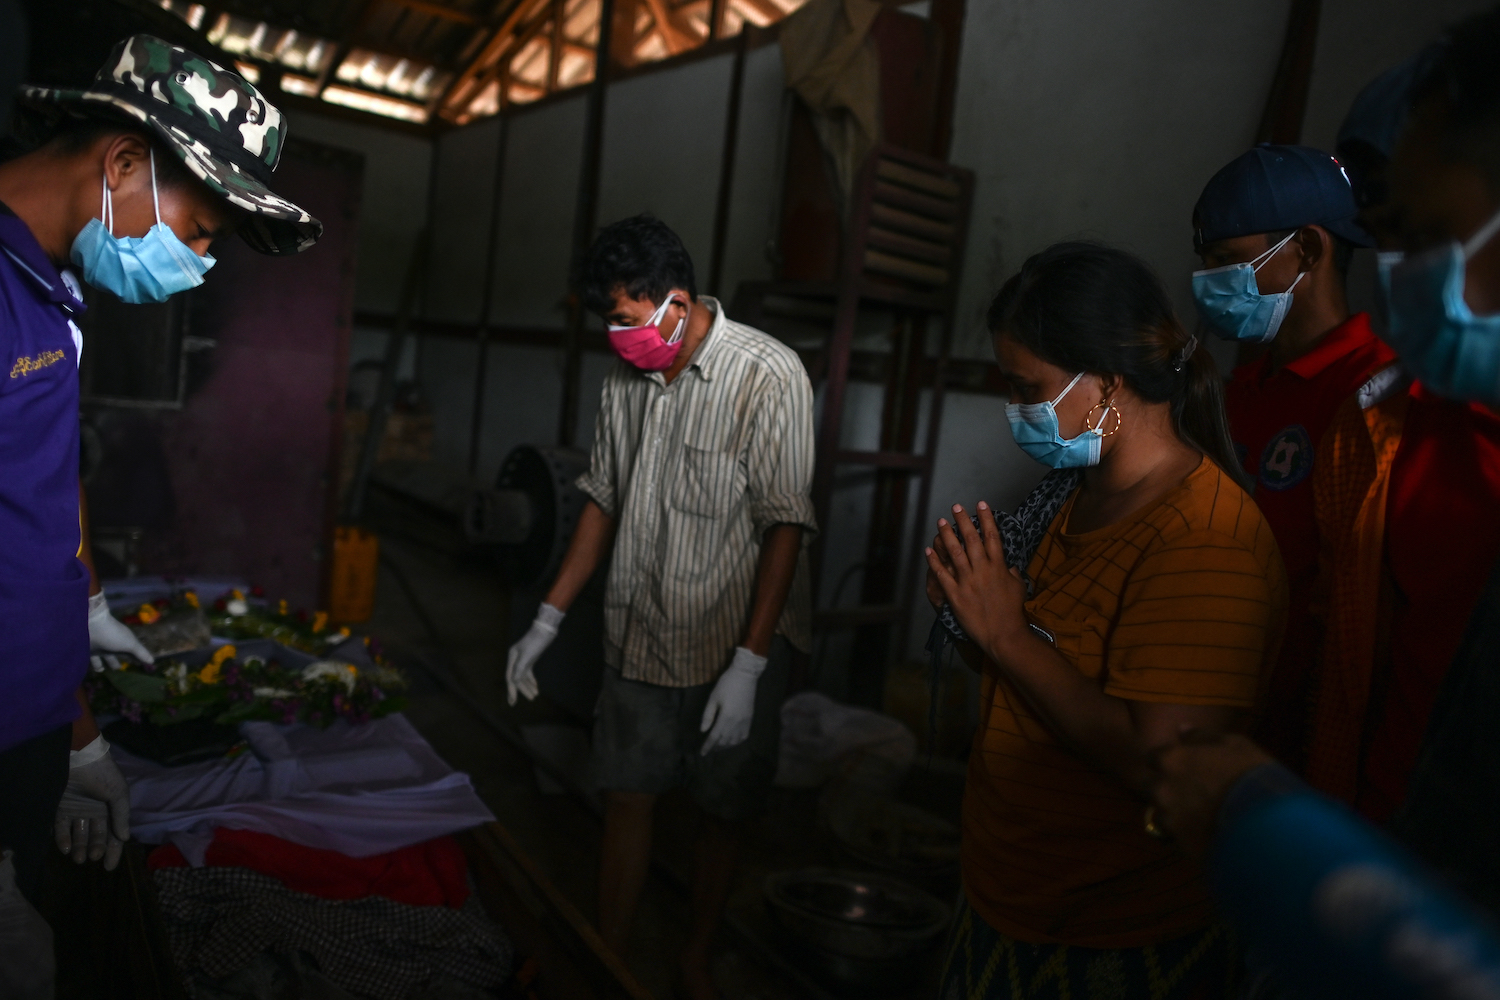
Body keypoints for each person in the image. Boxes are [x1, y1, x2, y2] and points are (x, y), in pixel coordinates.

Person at [0, 34, 320, 907]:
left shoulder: (48, 285)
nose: (202, 263)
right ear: (126, 160)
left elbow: (41, 473)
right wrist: (69, 724)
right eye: (203, 231)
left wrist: (85, 608)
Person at [926, 241, 1287, 1000]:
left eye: (1029, 388)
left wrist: (1006, 632)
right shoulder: (1076, 495)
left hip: (1109, 939)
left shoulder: (1204, 538)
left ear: (1108, 384)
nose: (1017, 410)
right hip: (1012, 898)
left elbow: (1162, 764)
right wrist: (975, 612)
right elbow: (1037, 686)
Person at [503, 214, 815, 1000]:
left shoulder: (769, 375)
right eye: (607, 321)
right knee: (628, 794)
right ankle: (609, 955)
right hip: (640, 629)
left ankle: (696, 955)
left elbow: (786, 525)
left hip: (732, 640)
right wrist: (547, 619)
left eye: (627, 320)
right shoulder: (625, 383)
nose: (619, 338)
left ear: (677, 302)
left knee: (723, 807)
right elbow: (602, 500)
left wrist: (750, 665)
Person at [1189, 145, 1394, 773]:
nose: (1209, 284)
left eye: (1227, 261)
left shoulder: (1376, 397)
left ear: (1306, 250)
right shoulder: (1235, 394)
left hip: (1301, 741)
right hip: (1206, 710)